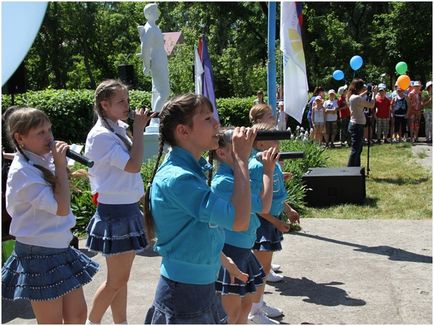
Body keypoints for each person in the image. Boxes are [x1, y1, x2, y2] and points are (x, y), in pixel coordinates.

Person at [144, 93, 255, 324]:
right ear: (183, 131)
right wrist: (241, 161)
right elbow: (239, 221)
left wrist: (222, 258)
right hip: (185, 294)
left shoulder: (190, 171)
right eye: (207, 119)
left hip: (197, 288)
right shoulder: (179, 179)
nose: (217, 124)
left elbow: (193, 228)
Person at [2, 107, 99, 324]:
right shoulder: (22, 173)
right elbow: (61, 208)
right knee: (51, 321)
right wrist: (61, 166)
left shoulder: (41, 159)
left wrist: (59, 164)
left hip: (60, 248)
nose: (49, 137)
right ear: (20, 138)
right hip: (38, 254)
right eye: (41, 133)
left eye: (49, 130)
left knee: (77, 315)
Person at [84, 79, 156, 324]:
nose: (127, 105)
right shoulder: (101, 136)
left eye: (127, 99)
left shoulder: (116, 127)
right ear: (105, 105)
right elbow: (134, 166)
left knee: (120, 280)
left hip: (125, 210)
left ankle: (120, 322)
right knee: (116, 280)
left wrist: (135, 129)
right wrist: (138, 130)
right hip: (115, 213)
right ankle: (92, 322)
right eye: (121, 101)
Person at [211, 127, 277, 324]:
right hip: (230, 251)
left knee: (246, 306)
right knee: (231, 314)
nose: (246, 149)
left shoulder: (237, 178)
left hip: (243, 250)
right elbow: (264, 206)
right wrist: (267, 172)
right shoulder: (224, 182)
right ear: (222, 153)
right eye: (238, 146)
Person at [249, 123, 300, 325]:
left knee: (265, 266)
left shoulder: (273, 164)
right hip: (263, 223)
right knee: (260, 269)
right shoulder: (256, 166)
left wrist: (288, 210)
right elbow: (257, 205)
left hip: (271, 222)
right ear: (260, 144)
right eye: (274, 139)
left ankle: (258, 304)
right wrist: (277, 222)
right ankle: (254, 311)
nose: (278, 143)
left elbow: (275, 194)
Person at [138, 3, 170, 129]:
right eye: (156, 10)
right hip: (157, 61)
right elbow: (145, 49)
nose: (159, 12)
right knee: (164, 91)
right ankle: (155, 119)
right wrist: (146, 65)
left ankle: (155, 120)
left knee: (157, 92)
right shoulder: (149, 29)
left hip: (160, 60)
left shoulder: (154, 27)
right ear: (150, 13)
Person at [347, 79, 377, 167]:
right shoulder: (356, 98)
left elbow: (359, 97)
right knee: (355, 149)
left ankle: (356, 168)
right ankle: (350, 170)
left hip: (355, 125)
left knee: (358, 149)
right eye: (363, 86)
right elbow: (371, 105)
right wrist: (374, 93)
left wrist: (366, 92)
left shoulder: (352, 97)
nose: (364, 87)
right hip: (357, 126)